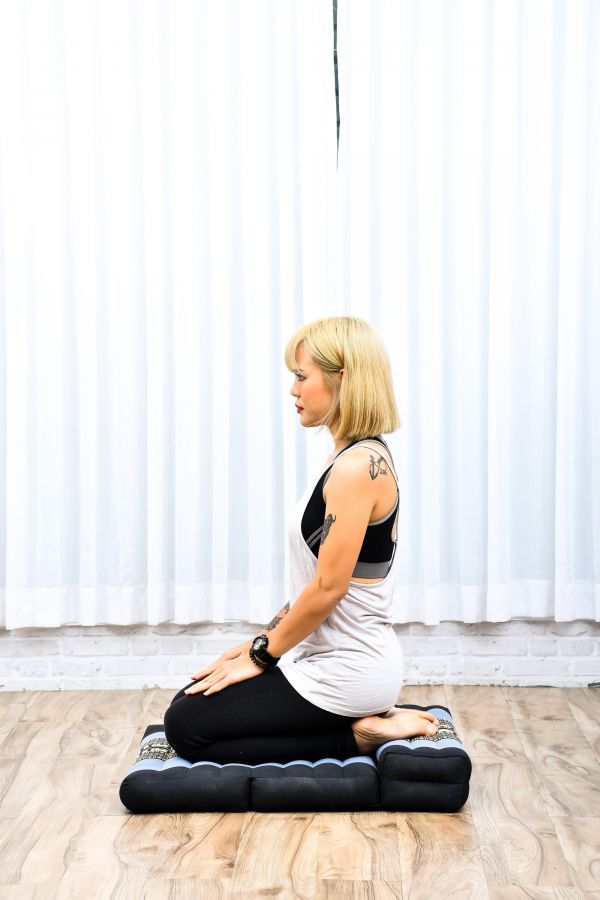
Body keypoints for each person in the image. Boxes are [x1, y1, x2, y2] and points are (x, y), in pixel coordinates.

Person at [163, 316, 439, 764]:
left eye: (301, 376)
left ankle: (361, 736)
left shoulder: (357, 469)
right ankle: (355, 725)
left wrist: (261, 658)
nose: (293, 390)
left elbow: (328, 589)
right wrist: (259, 641)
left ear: (341, 379)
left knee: (186, 728)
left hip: (350, 669)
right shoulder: (347, 457)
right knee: (189, 701)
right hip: (325, 660)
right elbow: (313, 582)